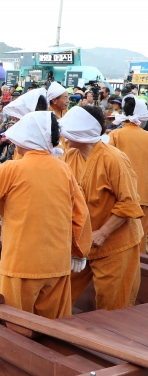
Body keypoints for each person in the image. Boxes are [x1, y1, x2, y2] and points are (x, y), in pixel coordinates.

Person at [0, 111, 92, 319]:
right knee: (54, 327)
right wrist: (78, 251)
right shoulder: (63, 169)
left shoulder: (12, 169)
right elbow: (80, 215)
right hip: (57, 265)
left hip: (21, 264)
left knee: (15, 325)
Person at [60, 106, 144, 310]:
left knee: (112, 304)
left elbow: (129, 203)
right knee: (60, 292)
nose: (64, 138)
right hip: (82, 243)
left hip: (114, 243)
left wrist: (103, 233)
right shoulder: (70, 156)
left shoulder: (113, 159)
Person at [108, 95, 148, 255]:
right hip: (144, 195)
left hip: (119, 198)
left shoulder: (115, 135)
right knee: (140, 240)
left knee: (117, 241)